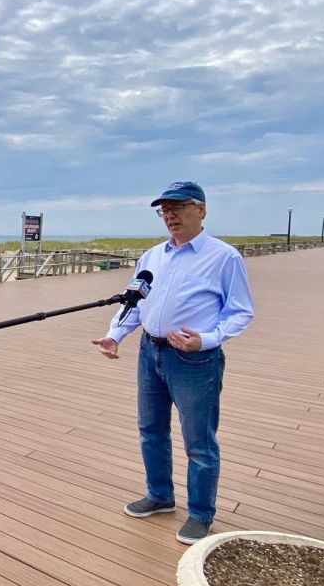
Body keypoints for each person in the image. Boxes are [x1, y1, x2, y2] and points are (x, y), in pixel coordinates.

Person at [90, 181, 254, 545]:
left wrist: (206, 340)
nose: (170, 216)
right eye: (164, 210)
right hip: (151, 353)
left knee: (198, 441)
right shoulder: (152, 256)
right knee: (150, 429)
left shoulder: (224, 257)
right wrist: (115, 334)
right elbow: (134, 301)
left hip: (194, 361)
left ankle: (200, 514)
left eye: (178, 207)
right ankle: (160, 495)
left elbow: (241, 312)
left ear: (202, 210)